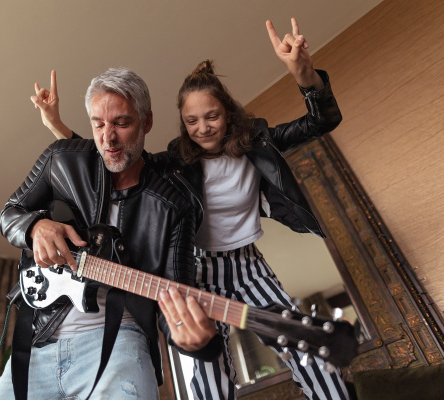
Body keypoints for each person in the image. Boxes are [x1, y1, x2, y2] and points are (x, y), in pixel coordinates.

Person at [30, 18, 351, 400]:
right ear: (182, 123)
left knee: (306, 350)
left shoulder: (258, 141)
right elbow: (112, 154)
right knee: (208, 376)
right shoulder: (174, 161)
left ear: (228, 113)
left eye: (212, 117)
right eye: (191, 120)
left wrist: (304, 74)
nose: (203, 128)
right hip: (195, 270)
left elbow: (322, 120)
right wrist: (57, 126)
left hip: (248, 265)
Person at [0, 68, 222, 400]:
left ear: (147, 122)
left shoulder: (174, 206)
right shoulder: (60, 159)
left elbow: (176, 296)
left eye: (122, 124)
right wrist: (34, 228)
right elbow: (10, 213)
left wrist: (196, 341)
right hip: (39, 340)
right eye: (98, 124)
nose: (107, 137)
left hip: (119, 341)